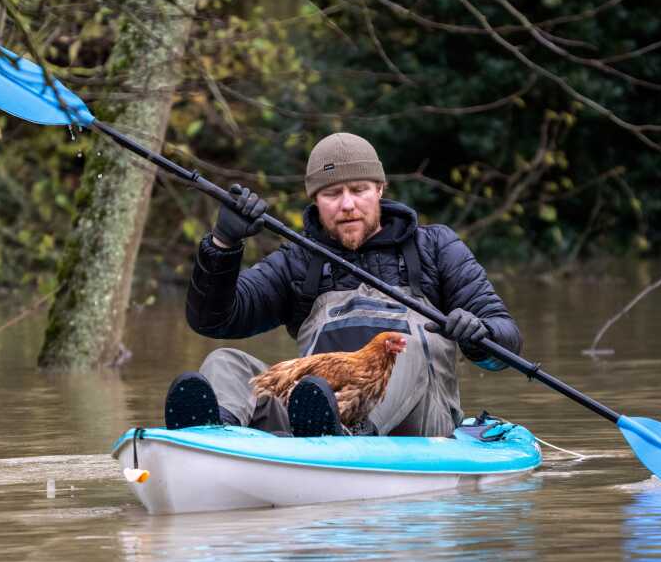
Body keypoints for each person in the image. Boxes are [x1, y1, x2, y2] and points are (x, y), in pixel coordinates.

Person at [165, 132, 522, 437]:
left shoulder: (436, 247)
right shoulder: (299, 260)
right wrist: (223, 244)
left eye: (359, 189)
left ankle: (354, 435)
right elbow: (212, 320)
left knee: (404, 348)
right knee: (225, 361)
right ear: (316, 200)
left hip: (419, 425)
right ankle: (215, 437)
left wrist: (479, 335)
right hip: (312, 422)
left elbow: (507, 345)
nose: (347, 205)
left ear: (380, 189)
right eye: (332, 194)